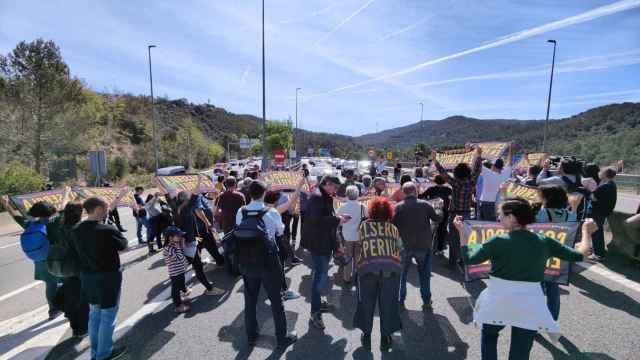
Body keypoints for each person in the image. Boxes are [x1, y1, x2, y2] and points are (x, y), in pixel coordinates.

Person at [453, 198, 596, 360]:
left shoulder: (497, 241)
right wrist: (586, 232)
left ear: (512, 217)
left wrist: (461, 233)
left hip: (498, 300)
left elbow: (469, 258)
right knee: (521, 350)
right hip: (530, 303)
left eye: (501, 215)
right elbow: (580, 255)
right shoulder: (544, 241)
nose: (498, 218)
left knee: (489, 335)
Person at [235, 181, 298, 349]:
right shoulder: (271, 212)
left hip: (247, 262)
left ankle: (251, 336)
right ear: (264, 194)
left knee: (250, 301)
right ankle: (281, 337)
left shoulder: (240, 211)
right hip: (269, 262)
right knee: (276, 301)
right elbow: (280, 231)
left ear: (249, 193)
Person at [71, 197, 129, 360]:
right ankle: (104, 354)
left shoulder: (76, 229)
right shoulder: (107, 229)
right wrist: (112, 226)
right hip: (108, 277)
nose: (107, 210)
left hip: (88, 278)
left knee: (95, 314)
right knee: (108, 315)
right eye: (105, 208)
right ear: (97, 209)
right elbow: (124, 246)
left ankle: (95, 352)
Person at [354, 197, 403, 352]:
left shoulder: (364, 226)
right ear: (389, 212)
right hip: (390, 270)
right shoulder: (393, 228)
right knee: (388, 304)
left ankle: (367, 336)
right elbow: (400, 247)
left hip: (368, 269)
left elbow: (359, 244)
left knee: (366, 302)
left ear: (372, 212)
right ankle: (385, 337)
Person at [302, 175, 350, 329]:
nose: (336, 190)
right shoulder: (317, 197)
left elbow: (324, 217)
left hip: (322, 242)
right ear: (327, 184)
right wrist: (338, 220)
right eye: (335, 187)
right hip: (319, 243)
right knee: (320, 277)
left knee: (320, 275)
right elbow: (318, 220)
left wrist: (338, 218)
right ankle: (315, 312)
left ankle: (318, 304)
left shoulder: (322, 195)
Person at [393, 182, 442, 311]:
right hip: (423, 244)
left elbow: (392, 225)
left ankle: (400, 301)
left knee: (401, 275)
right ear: (416, 191)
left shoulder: (398, 207)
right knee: (424, 275)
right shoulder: (425, 205)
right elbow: (437, 218)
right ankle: (426, 302)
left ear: (404, 192)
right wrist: (439, 210)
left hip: (404, 245)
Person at [432, 147, 482, 267]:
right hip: (466, 213)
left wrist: (435, 160)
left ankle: (452, 262)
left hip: (454, 214)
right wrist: (479, 156)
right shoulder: (471, 182)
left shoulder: (456, 183)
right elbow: (477, 170)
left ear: (457, 173)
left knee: (454, 239)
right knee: (463, 238)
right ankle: (463, 260)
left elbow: (443, 174)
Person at [535, 185, 578, 322]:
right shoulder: (570, 214)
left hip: (541, 255)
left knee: (538, 288)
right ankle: (552, 320)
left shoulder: (543, 213)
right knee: (553, 288)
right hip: (559, 257)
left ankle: (535, 319)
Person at [175, 191, 225, 296]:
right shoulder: (187, 210)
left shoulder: (178, 208)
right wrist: (209, 225)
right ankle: (209, 289)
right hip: (191, 241)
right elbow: (195, 199)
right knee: (195, 266)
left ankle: (183, 289)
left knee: (189, 265)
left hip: (193, 239)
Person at [54, 202, 89, 337]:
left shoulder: (61, 227)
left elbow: (61, 211)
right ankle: (81, 329)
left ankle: (75, 326)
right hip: (80, 267)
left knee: (71, 295)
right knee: (81, 300)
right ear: (79, 213)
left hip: (66, 267)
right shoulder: (79, 228)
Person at [336, 185, 366, 284]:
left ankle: (346, 278)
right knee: (358, 258)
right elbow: (367, 218)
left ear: (347, 195)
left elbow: (336, 219)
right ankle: (357, 277)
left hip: (347, 236)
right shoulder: (362, 206)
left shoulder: (342, 206)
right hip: (359, 236)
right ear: (357, 195)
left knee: (348, 257)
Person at [589, 167, 617, 261]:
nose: (599, 173)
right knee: (598, 231)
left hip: (598, 212)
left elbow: (593, 196)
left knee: (596, 232)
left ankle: (598, 254)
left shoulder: (605, 185)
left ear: (605, 174)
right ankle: (597, 250)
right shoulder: (611, 184)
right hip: (604, 212)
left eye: (601, 172)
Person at [478, 147, 513, 221]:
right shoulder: (505, 174)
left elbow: (478, 164)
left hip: (485, 203)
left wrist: (477, 152)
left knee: (482, 225)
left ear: (493, 166)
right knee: (493, 225)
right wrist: (510, 149)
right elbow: (509, 162)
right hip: (498, 203)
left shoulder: (488, 173)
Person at [163, 226, 192, 314]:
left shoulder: (174, 245)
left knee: (181, 284)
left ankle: (182, 296)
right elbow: (179, 257)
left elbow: (182, 256)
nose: (180, 237)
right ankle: (178, 306)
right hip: (175, 273)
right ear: (170, 238)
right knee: (175, 289)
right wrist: (179, 246)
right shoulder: (168, 248)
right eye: (178, 236)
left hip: (180, 270)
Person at [421, 174, 452, 254]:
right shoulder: (448, 189)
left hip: (432, 211)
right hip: (445, 211)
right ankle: (440, 249)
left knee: (431, 230)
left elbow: (421, 196)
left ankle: (428, 248)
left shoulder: (431, 189)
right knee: (442, 230)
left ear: (435, 181)